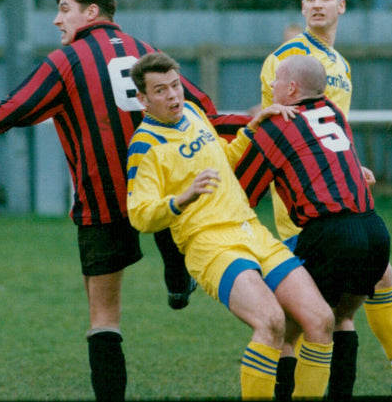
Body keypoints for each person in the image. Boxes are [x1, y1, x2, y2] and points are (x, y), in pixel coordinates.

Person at [0, 0, 249, 401]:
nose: (56, 20)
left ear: (91, 11)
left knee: (104, 316)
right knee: (165, 208)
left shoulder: (65, 63)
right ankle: (176, 273)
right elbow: (202, 110)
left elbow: (13, 110)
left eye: (64, 9)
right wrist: (253, 120)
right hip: (162, 189)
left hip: (103, 200)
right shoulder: (147, 51)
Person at [259, 0, 392, 396]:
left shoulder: (340, 64)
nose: (318, 3)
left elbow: (332, 129)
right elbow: (280, 129)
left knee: (360, 289)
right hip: (303, 203)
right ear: (302, 7)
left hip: (337, 195)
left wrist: (351, 165)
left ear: (341, 7)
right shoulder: (286, 58)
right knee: (310, 312)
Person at [125, 52, 334, 399]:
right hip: (209, 244)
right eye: (160, 91)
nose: (174, 96)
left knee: (321, 319)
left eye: (175, 85)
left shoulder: (192, 112)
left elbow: (223, 159)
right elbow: (140, 215)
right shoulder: (145, 146)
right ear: (143, 100)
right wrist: (183, 198)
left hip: (250, 229)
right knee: (271, 322)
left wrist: (252, 128)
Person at [233, 55, 391, 399]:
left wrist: (256, 129)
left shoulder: (277, 127)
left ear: (291, 89)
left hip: (330, 236)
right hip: (374, 230)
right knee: (341, 319)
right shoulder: (334, 111)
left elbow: (242, 192)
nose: (270, 88)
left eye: (275, 82)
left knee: (286, 329)